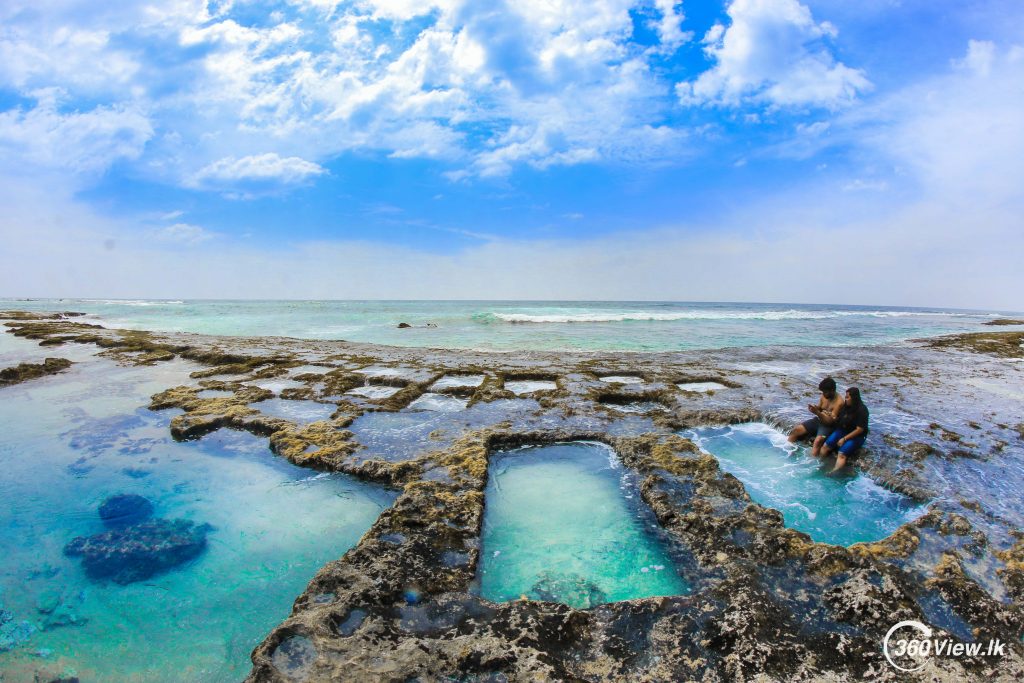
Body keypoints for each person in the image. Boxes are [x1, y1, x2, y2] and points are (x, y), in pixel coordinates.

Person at [788, 377, 843, 457]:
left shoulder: (839, 403)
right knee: (796, 430)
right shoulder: (824, 396)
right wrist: (814, 408)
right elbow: (820, 408)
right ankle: (787, 451)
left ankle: (811, 464)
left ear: (832, 390)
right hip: (819, 420)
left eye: (826, 392)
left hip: (829, 426)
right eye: (823, 392)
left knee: (817, 441)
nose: (823, 394)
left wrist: (817, 412)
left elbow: (830, 422)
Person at [821, 387, 869, 473]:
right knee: (825, 446)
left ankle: (834, 472)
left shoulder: (862, 410)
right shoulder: (846, 407)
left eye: (847, 397)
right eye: (845, 397)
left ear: (854, 398)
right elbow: (840, 419)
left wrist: (844, 439)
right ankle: (820, 463)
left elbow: (859, 430)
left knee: (842, 453)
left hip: (857, 436)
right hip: (843, 430)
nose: (845, 399)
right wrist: (832, 416)